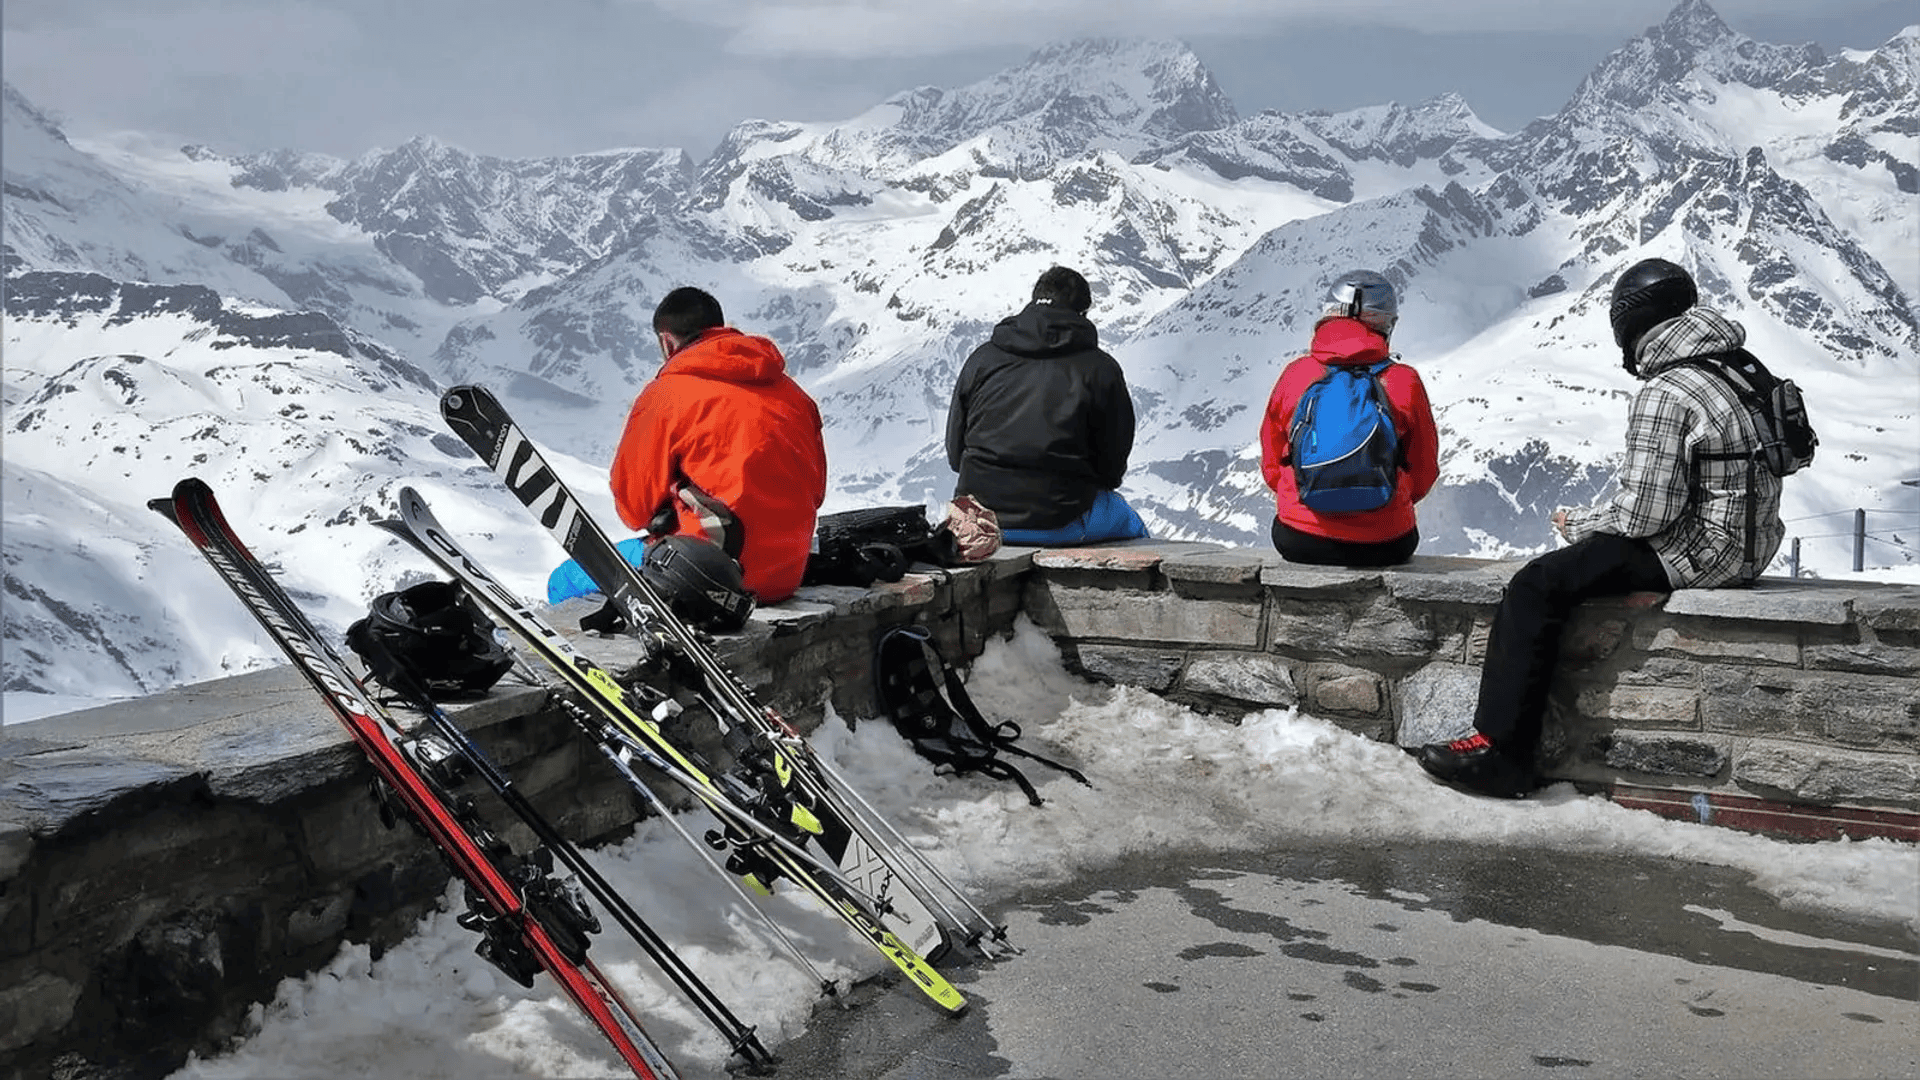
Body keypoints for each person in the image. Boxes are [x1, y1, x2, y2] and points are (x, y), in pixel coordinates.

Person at [1419, 257, 1786, 798]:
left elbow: (1644, 516)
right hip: (1755, 545)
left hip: (1702, 551)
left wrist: (1579, 525)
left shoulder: (1668, 392)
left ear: (1630, 325)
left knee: (1536, 584)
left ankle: (1502, 751)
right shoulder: (1740, 370)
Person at [608, 285, 827, 604]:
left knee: (565, 580)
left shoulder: (666, 396)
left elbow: (633, 508)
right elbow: (816, 492)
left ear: (667, 341)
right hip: (785, 576)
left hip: (705, 578)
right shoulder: (796, 397)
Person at [945, 266, 1148, 546]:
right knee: (1131, 525)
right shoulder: (1101, 369)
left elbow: (956, 456)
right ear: (1083, 313)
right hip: (1059, 519)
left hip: (978, 522)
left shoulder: (982, 359)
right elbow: (1111, 469)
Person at [1258, 270, 1439, 567]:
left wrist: (1305, 495)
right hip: (1387, 542)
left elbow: (1272, 467)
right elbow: (1424, 470)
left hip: (1300, 537)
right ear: (1386, 325)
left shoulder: (1296, 375)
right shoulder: (1404, 381)